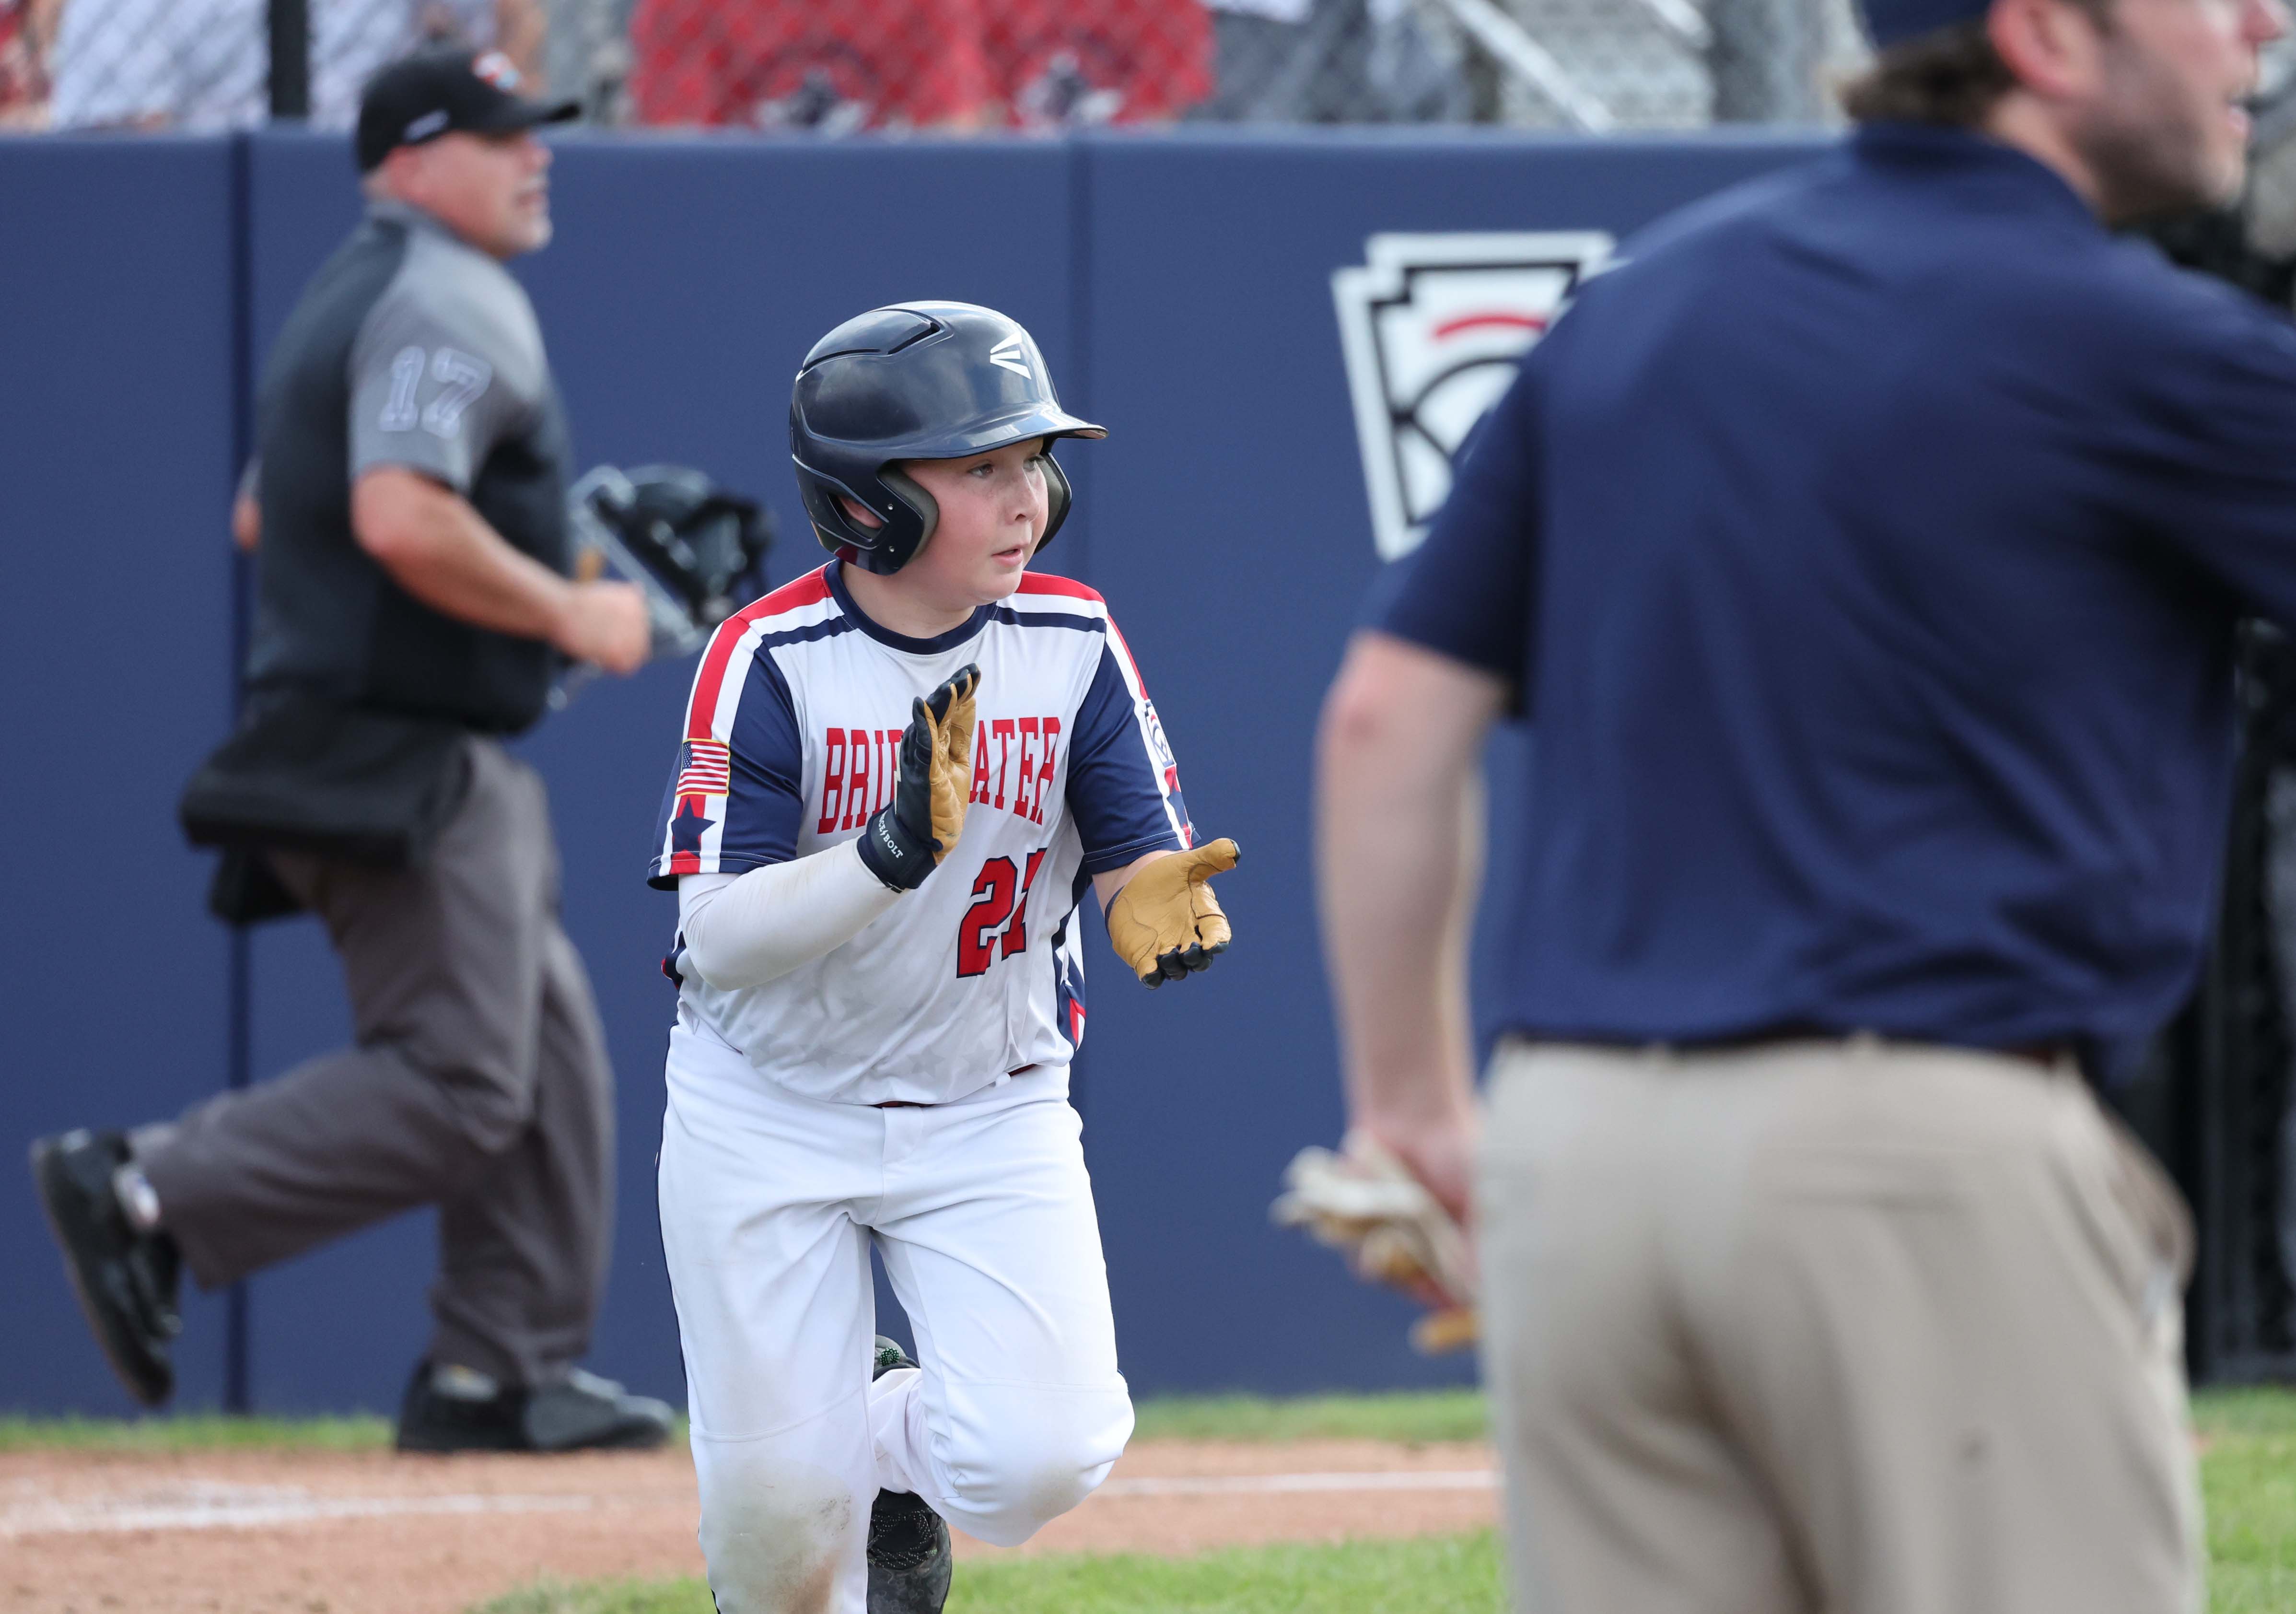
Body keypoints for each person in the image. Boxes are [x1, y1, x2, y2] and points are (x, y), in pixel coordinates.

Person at [1315, 0, 2287, 1605]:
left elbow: (1385, 717)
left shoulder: (1643, 308)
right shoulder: (2147, 343)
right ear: (2044, 35)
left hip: (1578, 1164)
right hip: (1923, 1162)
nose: (2257, 22)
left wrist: (1412, 1108)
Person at [31, 48, 673, 1454]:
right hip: (403, 758)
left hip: (362, 737)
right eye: (499, 137)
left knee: (548, 1053)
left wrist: (535, 563)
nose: (536, 154)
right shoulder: (448, 291)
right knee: (462, 1081)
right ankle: (145, 1191)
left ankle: (492, 1376)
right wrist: (572, 605)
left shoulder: (352, 288)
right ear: (407, 160)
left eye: (536, 132)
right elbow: (392, 513)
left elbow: (276, 510)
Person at [651, 300, 1239, 1613]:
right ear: (869, 504)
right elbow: (715, 939)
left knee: (1045, 1454)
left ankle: (887, 1449)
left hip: (989, 1096)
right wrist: (882, 855)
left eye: (1033, 461)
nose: (1025, 496)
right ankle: (824, 1483)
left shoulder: (1071, 637)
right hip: (770, 1106)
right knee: (770, 1556)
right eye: (980, 469)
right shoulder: (770, 659)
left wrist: (1153, 899)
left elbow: (1140, 850)